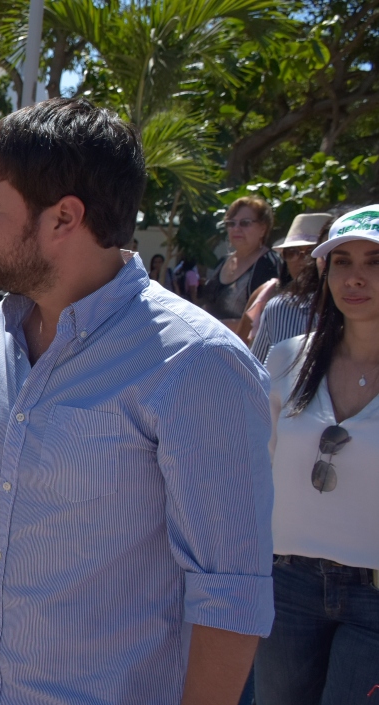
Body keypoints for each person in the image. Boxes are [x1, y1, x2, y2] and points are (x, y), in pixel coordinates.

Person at [0, 98, 273, 705]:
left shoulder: (197, 363)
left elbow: (229, 596)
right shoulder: (0, 333)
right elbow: (1, 506)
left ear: (63, 217)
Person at [257, 205, 379, 704]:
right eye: (342, 261)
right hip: (287, 586)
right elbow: (255, 471)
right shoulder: (287, 357)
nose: (356, 277)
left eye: (375, 261)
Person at [250, 213, 333, 363]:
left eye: (311, 252)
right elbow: (255, 373)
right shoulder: (277, 308)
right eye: (292, 252)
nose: (301, 260)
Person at [201, 196, 282, 334]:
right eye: (231, 223)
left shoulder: (270, 265)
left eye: (245, 223)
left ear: (263, 228)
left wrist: (215, 326)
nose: (236, 229)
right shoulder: (222, 262)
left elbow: (269, 320)